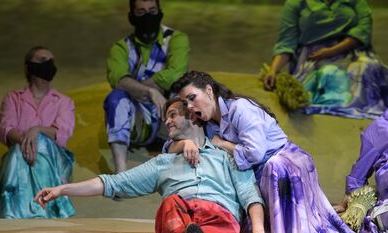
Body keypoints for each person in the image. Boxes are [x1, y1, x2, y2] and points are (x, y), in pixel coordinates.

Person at [35, 98, 265, 233]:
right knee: (171, 205)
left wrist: (258, 230)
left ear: (193, 118)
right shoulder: (162, 163)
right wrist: (62, 189)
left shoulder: (225, 156)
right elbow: (113, 183)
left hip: (218, 216)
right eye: (166, 117)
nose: (167, 121)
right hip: (180, 218)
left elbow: (249, 195)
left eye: (173, 115)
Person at [170, 70, 353, 233]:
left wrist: (223, 144)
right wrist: (186, 143)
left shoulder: (240, 108)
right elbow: (172, 146)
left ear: (209, 91)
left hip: (284, 163)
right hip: (256, 175)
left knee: (274, 167)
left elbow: (255, 153)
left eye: (192, 98)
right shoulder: (208, 125)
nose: (191, 107)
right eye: (186, 104)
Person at [0, 46, 75, 218]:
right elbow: (6, 128)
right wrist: (24, 140)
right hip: (19, 156)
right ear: (28, 67)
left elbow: (62, 133)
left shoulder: (64, 102)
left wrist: (36, 131)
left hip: (54, 160)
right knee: (19, 150)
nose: (49, 64)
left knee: (41, 142)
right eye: (43, 61)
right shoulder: (13, 98)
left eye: (51, 61)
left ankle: (16, 211)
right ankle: (30, 210)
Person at [103, 0, 189, 173]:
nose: (148, 16)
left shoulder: (175, 39)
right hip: (139, 119)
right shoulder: (121, 48)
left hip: (169, 114)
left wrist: (134, 86)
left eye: (152, 10)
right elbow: (118, 80)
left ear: (160, 12)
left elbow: (175, 73)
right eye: (141, 12)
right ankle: (121, 173)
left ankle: (174, 151)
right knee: (115, 98)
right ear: (131, 17)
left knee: (186, 86)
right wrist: (150, 91)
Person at [264, 0, 388, 119]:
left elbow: (363, 29)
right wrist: (273, 70)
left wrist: (332, 51)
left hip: (350, 50)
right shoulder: (296, 3)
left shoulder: (355, 1)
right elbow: (286, 43)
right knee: (329, 74)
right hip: (316, 57)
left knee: (369, 67)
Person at [334, 110, 388, 232]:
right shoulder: (382, 128)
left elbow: (361, 170)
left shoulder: (381, 128)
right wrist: (351, 201)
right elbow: (361, 170)